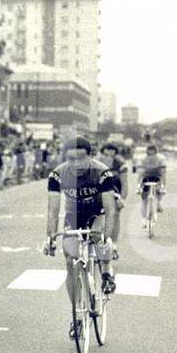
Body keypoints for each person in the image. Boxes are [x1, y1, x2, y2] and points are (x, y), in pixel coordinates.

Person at [43, 136, 117, 337]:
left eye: (80, 159)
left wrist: (107, 238)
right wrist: (50, 238)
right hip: (73, 216)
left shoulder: (101, 172)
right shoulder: (58, 174)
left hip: (96, 213)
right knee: (70, 260)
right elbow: (52, 211)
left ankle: (107, 272)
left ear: (90, 156)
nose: (75, 164)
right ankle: (76, 316)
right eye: (70, 159)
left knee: (98, 239)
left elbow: (110, 209)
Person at [98, 142, 127, 258]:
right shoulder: (96, 161)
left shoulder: (120, 163)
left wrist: (122, 199)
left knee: (115, 214)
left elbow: (124, 184)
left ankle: (113, 244)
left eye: (111, 156)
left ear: (115, 155)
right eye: (106, 155)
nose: (108, 158)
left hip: (115, 189)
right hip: (99, 189)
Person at [137, 143, 166, 226]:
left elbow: (163, 172)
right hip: (146, 178)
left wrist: (163, 186)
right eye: (150, 152)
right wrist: (138, 185)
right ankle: (144, 219)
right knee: (144, 200)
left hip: (157, 177)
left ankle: (158, 203)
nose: (151, 154)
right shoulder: (143, 158)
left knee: (159, 191)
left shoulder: (161, 159)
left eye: (153, 152)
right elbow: (140, 172)